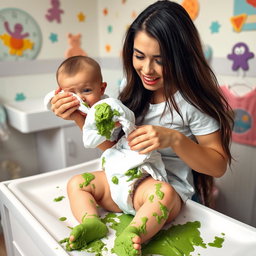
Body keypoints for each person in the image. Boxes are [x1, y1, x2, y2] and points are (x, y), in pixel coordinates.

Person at [50, 1, 234, 255]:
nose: (147, 70)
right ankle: (92, 223)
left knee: (164, 193)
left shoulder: (192, 104)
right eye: (139, 56)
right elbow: (112, 147)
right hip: (122, 182)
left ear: (182, 58)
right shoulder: (133, 87)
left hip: (156, 191)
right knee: (77, 182)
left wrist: (174, 139)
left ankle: (134, 234)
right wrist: (77, 117)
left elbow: (218, 166)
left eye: (160, 60)